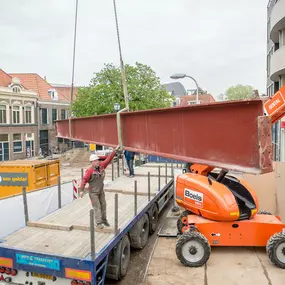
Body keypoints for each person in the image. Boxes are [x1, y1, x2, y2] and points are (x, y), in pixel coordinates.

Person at [79, 145, 120, 229]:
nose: (98, 161)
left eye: (98, 160)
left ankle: (104, 220)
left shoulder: (101, 166)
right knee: (97, 207)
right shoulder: (89, 171)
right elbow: (84, 180)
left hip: (101, 191)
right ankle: (98, 223)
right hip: (93, 193)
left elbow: (108, 159)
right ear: (92, 162)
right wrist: (81, 190)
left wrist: (115, 151)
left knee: (103, 205)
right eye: (96, 160)